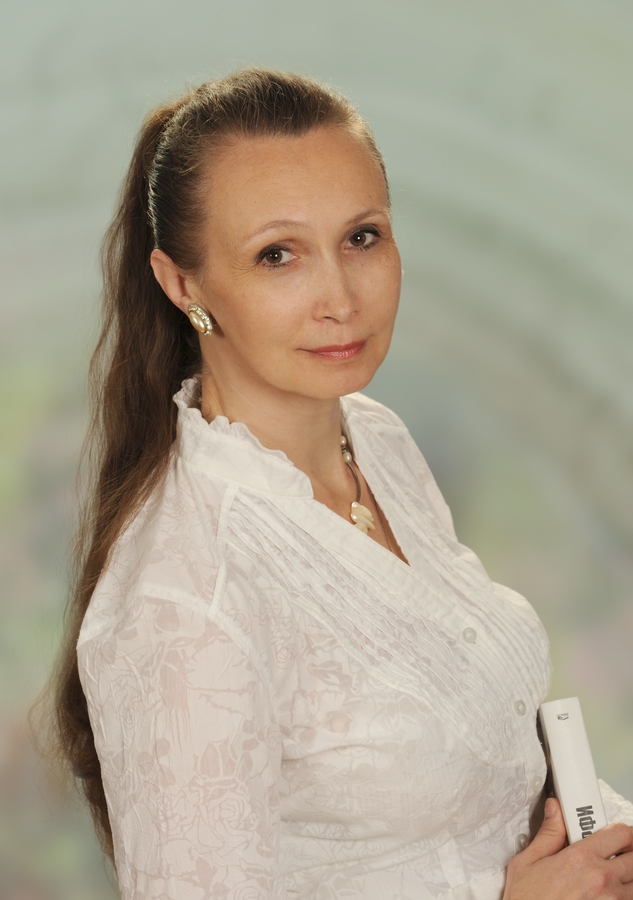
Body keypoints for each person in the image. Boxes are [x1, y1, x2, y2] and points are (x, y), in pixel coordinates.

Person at [53, 68, 633, 899]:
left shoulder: (373, 439)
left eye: (361, 237)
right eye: (277, 255)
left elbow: (478, 782)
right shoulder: (185, 599)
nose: (340, 298)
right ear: (182, 284)